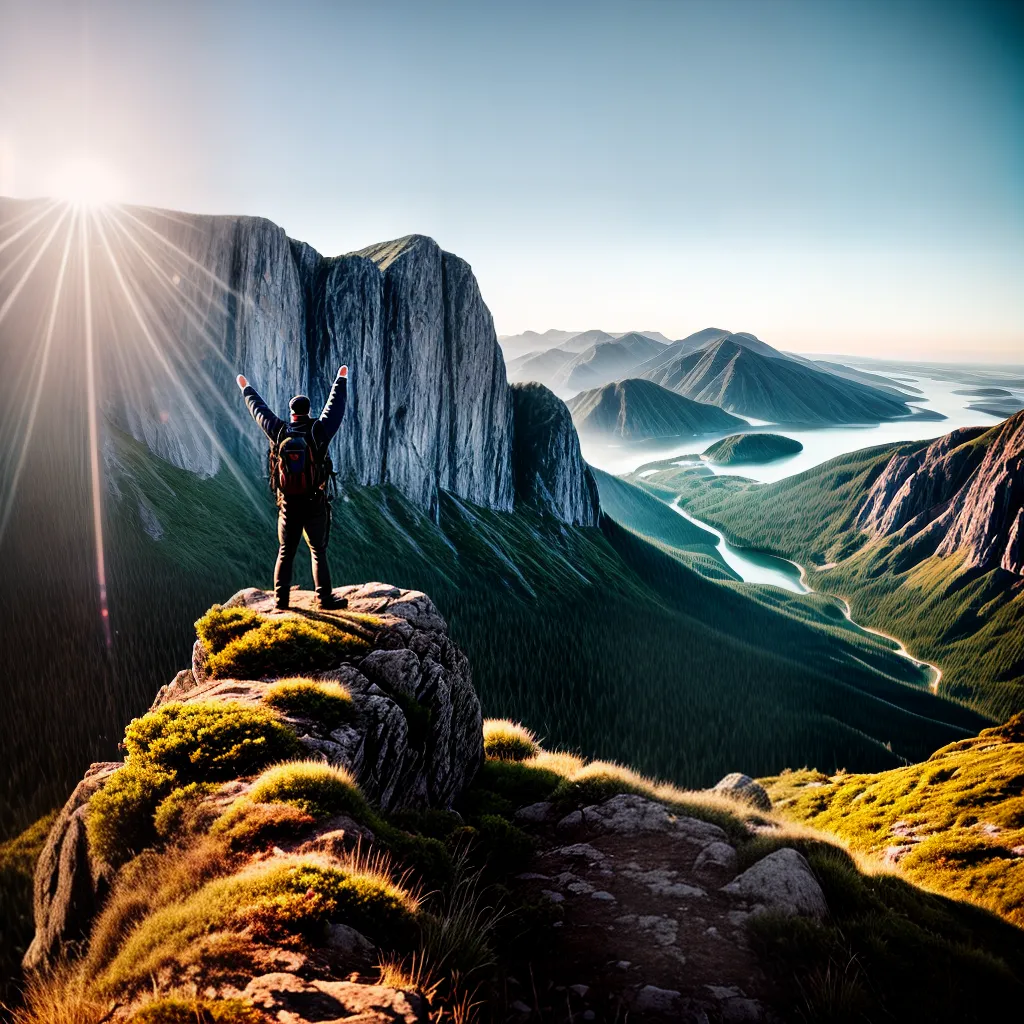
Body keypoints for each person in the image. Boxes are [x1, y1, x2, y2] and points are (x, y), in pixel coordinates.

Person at [236, 366, 348, 610]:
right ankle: (324, 599)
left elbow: (259, 410)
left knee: (286, 550)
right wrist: (340, 379)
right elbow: (335, 407)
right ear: (308, 411)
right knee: (318, 551)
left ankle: (281, 601)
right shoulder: (319, 431)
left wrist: (246, 388)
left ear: (292, 413)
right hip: (314, 501)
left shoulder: (279, 430)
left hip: (287, 503)